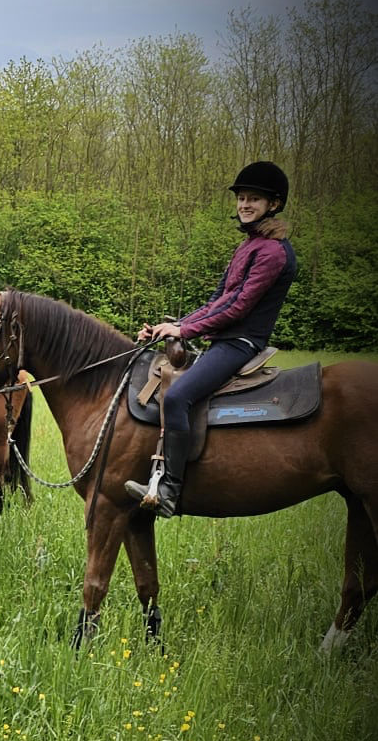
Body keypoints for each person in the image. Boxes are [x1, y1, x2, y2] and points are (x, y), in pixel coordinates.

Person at [126, 161, 296, 516]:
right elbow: (217, 300)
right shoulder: (249, 245)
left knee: (177, 398)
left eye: (254, 199)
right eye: (242, 198)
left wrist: (185, 331)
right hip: (222, 340)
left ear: (274, 204)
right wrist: (170, 326)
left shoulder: (273, 252)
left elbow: (238, 307)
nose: (244, 205)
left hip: (241, 343)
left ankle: (170, 490)